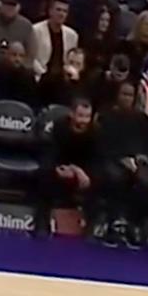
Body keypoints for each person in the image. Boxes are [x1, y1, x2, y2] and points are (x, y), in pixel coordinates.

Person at [92, 80, 148, 248]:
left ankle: (134, 225)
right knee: (115, 178)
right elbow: (100, 143)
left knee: (143, 182)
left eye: (130, 95)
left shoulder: (142, 119)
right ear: (117, 95)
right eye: (124, 94)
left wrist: (144, 156)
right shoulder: (106, 116)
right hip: (112, 158)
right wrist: (121, 158)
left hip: (137, 160)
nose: (127, 98)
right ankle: (113, 224)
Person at [42, 98, 100, 235]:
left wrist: (84, 173)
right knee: (44, 174)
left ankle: (91, 229)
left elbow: (96, 159)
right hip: (62, 166)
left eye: (87, 117)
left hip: (85, 170)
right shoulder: (60, 126)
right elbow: (52, 153)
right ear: (71, 114)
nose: (84, 121)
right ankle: (42, 223)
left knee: (100, 180)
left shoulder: (95, 132)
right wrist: (60, 168)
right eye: (80, 116)